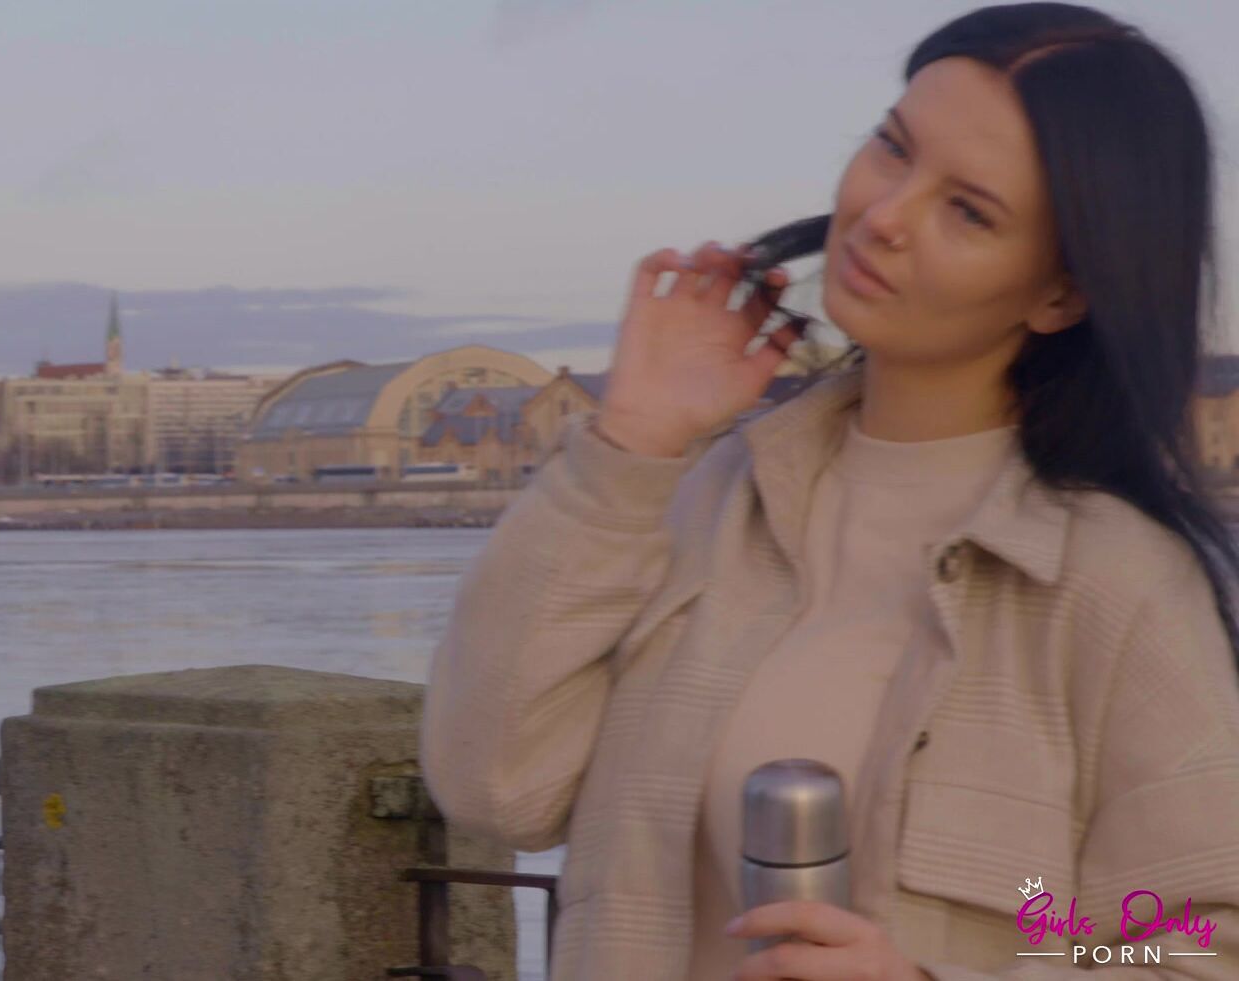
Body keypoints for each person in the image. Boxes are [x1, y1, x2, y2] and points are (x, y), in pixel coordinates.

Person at [419, 4, 1239, 979]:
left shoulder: (1114, 584)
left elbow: (1198, 946)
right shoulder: (704, 500)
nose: (885, 216)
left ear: (1060, 293)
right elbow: (496, 787)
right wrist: (631, 439)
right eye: (894, 148)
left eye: (969, 211)